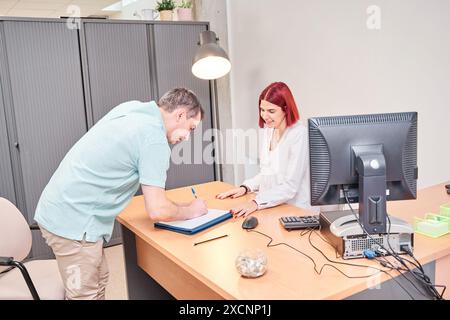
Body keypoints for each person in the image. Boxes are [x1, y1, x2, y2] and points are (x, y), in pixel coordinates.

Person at [34, 88, 208, 300]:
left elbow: (159, 202)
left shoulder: (133, 108)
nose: (187, 137)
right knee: (84, 294)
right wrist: (192, 211)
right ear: (180, 114)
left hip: (64, 207)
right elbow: (157, 210)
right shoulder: (154, 139)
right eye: (190, 128)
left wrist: (182, 208)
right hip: (73, 222)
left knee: (99, 279)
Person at [216, 82, 316, 217]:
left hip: (295, 210)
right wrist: (246, 187)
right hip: (271, 206)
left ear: (286, 109)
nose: (265, 116)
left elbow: (290, 186)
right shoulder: (269, 130)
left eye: (271, 111)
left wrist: (256, 203)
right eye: (262, 110)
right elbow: (267, 173)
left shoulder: (299, 135)